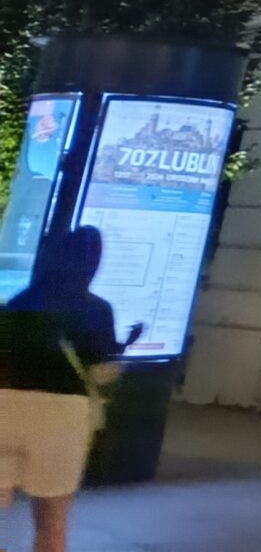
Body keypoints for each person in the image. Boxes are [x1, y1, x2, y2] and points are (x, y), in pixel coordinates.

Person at [0, 227, 138, 552]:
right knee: (52, 522)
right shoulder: (96, 310)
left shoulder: (20, 302)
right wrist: (124, 349)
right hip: (62, 416)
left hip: (5, 407)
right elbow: (101, 372)